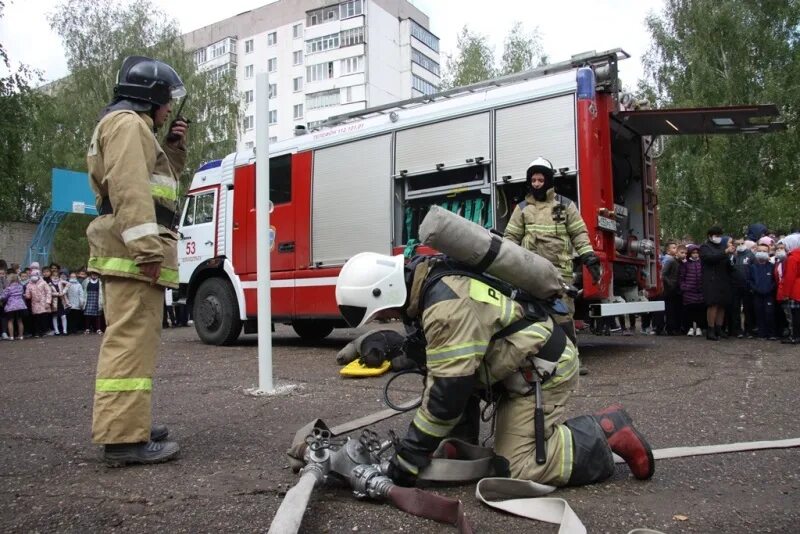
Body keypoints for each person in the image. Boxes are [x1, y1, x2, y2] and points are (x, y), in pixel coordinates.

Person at [334, 252, 654, 489]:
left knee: (519, 469)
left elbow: (448, 393)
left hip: (542, 368)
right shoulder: (428, 283)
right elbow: (443, 360)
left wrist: (408, 459)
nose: (386, 318)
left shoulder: (446, 307)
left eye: (382, 314)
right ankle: (462, 441)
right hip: (513, 368)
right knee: (445, 383)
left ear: (384, 292)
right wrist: (398, 349)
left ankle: (607, 431)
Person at [86, 56, 188, 466]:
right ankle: (123, 439)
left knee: (134, 345)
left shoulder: (131, 127)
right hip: (134, 256)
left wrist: (173, 149)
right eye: (166, 102)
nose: (168, 110)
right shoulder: (129, 125)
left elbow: (156, 184)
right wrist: (147, 250)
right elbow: (130, 191)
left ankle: (131, 425)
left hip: (127, 253)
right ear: (152, 95)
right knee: (129, 346)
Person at [503, 157, 602, 372]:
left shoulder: (565, 205)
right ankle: (533, 360)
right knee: (530, 315)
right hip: (531, 273)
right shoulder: (522, 209)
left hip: (560, 273)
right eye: (534, 180)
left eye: (540, 179)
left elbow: (579, 233)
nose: (537, 184)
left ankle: (572, 362)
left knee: (563, 316)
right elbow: (510, 238)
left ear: (548, 181)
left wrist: (589, 257)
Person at [699, 227, 733, 341]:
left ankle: (719, 328)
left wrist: (731, 257)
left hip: (723, 279)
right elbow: (710, 258)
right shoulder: (705, 247)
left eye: (720, 235)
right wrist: (725, 252)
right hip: (711, 280)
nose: (718, 238)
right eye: (716, 235)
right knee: (712, 304)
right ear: (710, 236)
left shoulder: (722, 247)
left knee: (721, 304)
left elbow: (726, 262)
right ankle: (711, 329)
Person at [748, 243, 777, 340]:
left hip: (769, 294)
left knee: (769, 313)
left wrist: (770, 289)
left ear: (768, 253)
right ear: (756, 251)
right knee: (759, 313)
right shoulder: (752, 267)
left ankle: (772, 333)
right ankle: (761, 333)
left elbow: (775, 280)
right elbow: (749, 280)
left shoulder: (772, 266)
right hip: (757, 294)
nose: (762, 253)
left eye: (764, 251)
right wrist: (755, 289)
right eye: (760, 251)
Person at [679, 245, 704, 336]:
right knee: (689, 311)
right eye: (693, 253)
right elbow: (682, 277)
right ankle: (689, 327)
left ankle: (698, 327)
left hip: (700, 291)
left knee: (699, 311)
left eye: (697, 252)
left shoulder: (701, 263)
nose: (695, 254)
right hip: (688, 292)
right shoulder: (686, 264)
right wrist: (684, 287)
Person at [780, 233, 800, 344]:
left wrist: (786, 293)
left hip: (795, 289)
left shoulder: (792, 257)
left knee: (795, 315)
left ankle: (795, 336)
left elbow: (789, 277)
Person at [661, 241, 683, 335]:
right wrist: (670, 283)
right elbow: (663, 274)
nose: (676, 249)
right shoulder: (670, 261)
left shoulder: (678, 261)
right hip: (670, 289)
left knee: (676, 309)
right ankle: (670, 329)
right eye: (673, 247)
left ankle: (676, 328)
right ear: (668, 250)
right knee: (670, 309)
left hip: (677, 288)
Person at [24, 269, 52, 338]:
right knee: (36, 318)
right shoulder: (29, 284)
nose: (34, 277)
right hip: (35, 304)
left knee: (43, 318)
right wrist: (25, 295)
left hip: (43, 303)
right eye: (32, 275)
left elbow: (48, 292)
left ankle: (43, 331)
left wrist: (48, 302)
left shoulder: (43, 283)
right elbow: (28, 295)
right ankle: (37, 332)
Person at [2, 273, 27, 340]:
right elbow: (22, 293)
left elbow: (4, 296)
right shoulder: (20, 286)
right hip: (20, 305)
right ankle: (21, 336)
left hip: (11, 306)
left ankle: (11, 336)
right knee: (20, 321)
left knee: (10, 321)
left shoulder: (8, 288)